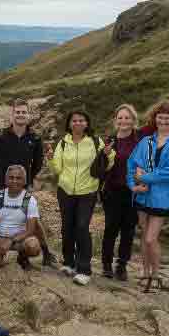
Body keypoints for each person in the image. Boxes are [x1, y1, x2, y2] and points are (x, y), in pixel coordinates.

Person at [0, 99, 56, 268]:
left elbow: (38, 164)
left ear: (28, 115)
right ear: (12, 115)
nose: (20, 115)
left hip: (23, 187)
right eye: (17, 112)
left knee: (32, 221)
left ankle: (43, 252)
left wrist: (26, 181)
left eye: (23, 112)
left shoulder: (34, 138)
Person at [46, 111, 114, 286]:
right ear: (69, 124)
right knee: (67, 226)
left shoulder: (95, 142)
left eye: (81, 120)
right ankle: (69, 263)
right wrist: (50, 159)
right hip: (65, 191)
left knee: (82, 227)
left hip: (88, 191)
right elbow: (57, 170)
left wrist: (107, 154)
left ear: (86, 123)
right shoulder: (63, 143)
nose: (77, 123)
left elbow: (109, 163)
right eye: (74, 120)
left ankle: (84, 269)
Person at [127, 101, 169, 292]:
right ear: (155, 118)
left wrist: (143, 177)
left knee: (150, 239)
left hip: (163, 197)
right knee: (145, 236)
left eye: (167, 118)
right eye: (160, 117)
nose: (162, 120)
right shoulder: (147, 141)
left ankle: (155, 276)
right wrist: (132, 185)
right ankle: (145, 273)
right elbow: (131, 164)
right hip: (143, 196)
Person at [100, 105, 141, 281]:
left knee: (128, 230)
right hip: (112, 191)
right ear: (115, 120)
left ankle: (122, 265)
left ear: (133, 120)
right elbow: (100, 167)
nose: (123, 121)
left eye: (127, 118)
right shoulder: (109, 141)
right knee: (110, 229)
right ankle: (106, 265)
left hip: (132, 191)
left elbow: (159, 121)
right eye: (120, 118)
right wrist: (103, 155)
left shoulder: (139, 139)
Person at [0, 166, 42, 271]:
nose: (14, 181)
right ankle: (4, 260)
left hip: (19, 239)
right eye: (11, 177)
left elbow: (30, 230)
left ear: (24, 181)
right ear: (6, 180)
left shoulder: (30, 200)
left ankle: (22, 256)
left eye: (18, 178)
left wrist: (11, 240)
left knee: (33, 247)